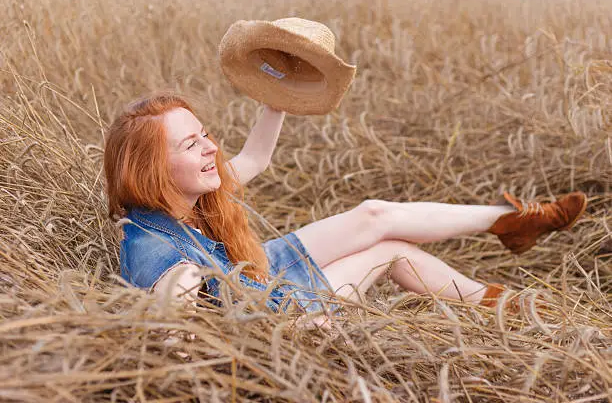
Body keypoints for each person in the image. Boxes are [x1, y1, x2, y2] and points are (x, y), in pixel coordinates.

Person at [103, 93, 588, 328]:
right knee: (392, 249)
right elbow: (172, 306)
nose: (212, 148)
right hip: (280, 313)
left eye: (205, 133)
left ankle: (514, 221)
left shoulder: (190, 192)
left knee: (374, 214)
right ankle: (515, 308)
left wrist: (279, 96)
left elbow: (255, 159)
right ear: (154, 170)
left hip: (258, 274)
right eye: (193, 143)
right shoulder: (149, 246)